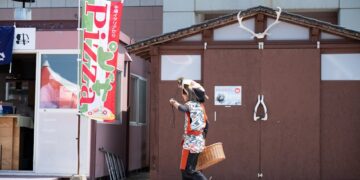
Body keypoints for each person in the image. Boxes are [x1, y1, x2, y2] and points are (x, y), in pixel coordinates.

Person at [170, 86, 208, 180]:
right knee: (188, 170)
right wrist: (203, 139)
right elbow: (207, 125)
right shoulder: (201, 107)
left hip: (191, 143)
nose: (183, 95)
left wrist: (173, 102)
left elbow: (182, 108)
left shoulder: (190, 104)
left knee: (187, 171)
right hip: (198, 142)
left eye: (184, 93)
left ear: (189, 95)